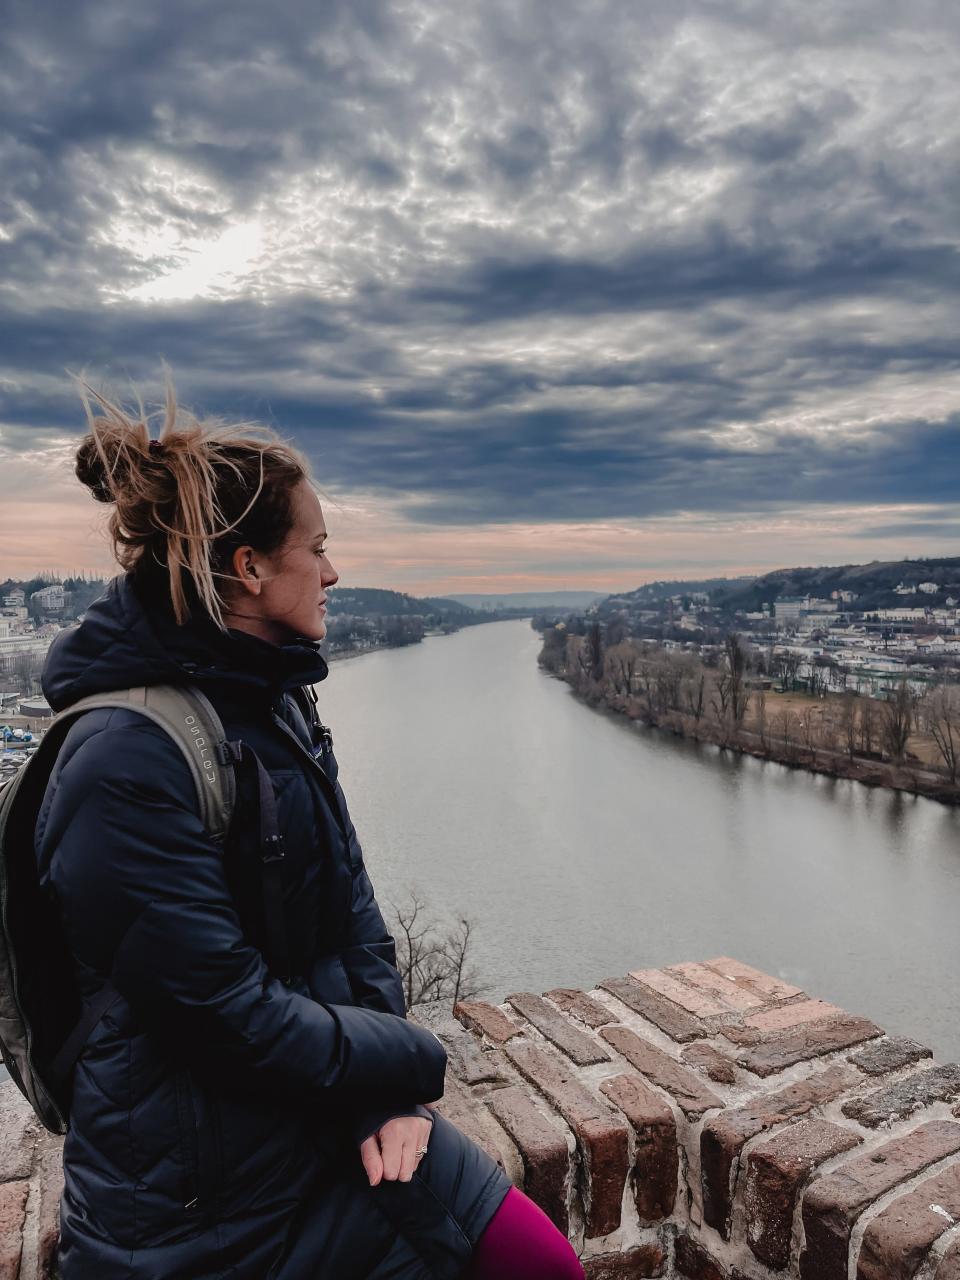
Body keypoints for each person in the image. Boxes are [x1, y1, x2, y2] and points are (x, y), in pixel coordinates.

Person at [35, 380, 585, 1279]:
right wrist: (407, 1058)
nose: (333, 573)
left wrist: (392, 1092)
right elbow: (225, 1014)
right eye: (317, 549)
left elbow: (353, 917)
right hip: (197, 1200)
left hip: (331, 1108)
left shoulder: (274, 701)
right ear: (249, 568)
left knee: (541, 1265)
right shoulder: (122, 758)